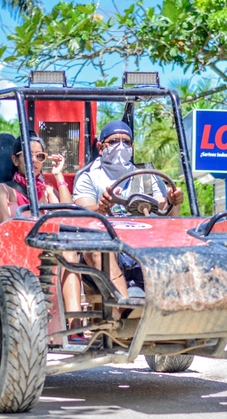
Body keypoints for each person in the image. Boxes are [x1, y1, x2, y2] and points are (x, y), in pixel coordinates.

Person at [73, 120, 184, 313]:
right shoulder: (88, 177)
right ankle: (126, 312)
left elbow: (166, 211)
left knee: (180, 246)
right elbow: (82, 211)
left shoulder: (147, 177)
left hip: (143, 244)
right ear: (100, 147)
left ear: (132, 147)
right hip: (107, 243)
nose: (120, 146)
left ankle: (181, 312)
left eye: (126, 142)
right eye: (114, 141)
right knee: (98, 250)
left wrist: (174, 201)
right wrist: (100, 208)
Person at [0, 132, 82, 318]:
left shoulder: (47, 192)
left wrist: (58, 176)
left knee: (70, 253)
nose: (35, 160)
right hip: (13, 256)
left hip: (46, 253)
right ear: (15, 160)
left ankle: (75, 327)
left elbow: (68, 217)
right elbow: (7, 232)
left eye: (40, 156)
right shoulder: (2, 191)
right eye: (29, 155)